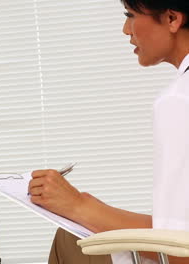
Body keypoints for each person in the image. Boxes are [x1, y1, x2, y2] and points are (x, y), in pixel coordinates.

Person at [28, 1, 189, 264]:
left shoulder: (178, 100)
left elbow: (178, 249)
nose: (127, 29)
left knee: (71, 239)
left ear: (172, 18)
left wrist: (78, 205)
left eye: (131, 15)